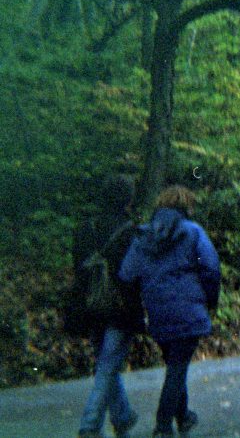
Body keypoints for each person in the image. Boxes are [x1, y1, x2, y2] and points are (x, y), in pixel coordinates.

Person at [119, 185, 220, 438]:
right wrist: (211, 300)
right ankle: (163, 425)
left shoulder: (143, 237)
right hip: (188, 310)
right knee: (177, 368)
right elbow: (210, 268)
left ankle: (183, 416)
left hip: (158, 313)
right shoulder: (193, 233)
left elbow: (127, 274)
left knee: (176, 365)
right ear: (186, 206)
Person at [67, 175, 144, 438]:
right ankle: (89, 425)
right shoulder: (131, 232)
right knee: (108, 366)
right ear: (127, 199)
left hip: (89, 306)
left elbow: (78, 268)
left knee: (105, 362)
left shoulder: (84, 229)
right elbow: (134, 275)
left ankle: (122, 416)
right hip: (120, 308)